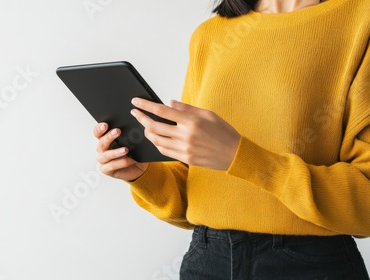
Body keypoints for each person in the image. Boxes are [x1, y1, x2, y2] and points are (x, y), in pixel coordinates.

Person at [93, 0, 370, 278]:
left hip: (311, 264)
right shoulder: (209, 35)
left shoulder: (361, 20)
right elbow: (194, 196)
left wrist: (241, 156)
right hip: (207, 259)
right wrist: (145, 176)